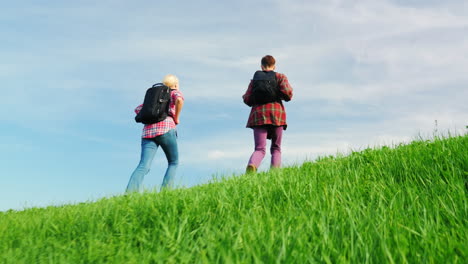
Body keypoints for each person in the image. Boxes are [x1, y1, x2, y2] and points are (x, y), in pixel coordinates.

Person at [126, 74, 184, 192]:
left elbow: (138, 109)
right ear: (176, 84)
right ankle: (165, 192)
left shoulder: (155, 96)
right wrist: (176, 118)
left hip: (148, 132)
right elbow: (179, 100)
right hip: (166, 129)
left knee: (143, 165)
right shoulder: (173, 92)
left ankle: (130, 193)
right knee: (173, 162)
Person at [242, 55, 293, 173]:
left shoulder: (255, 80)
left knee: (259, 148)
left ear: (261, 66)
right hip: (277, 115)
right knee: (276, 148)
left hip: (258, 115)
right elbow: (288, 94)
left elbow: (247, 99)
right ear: (274, 66)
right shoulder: (280, 77)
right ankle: (274, 174)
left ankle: (252, 165)